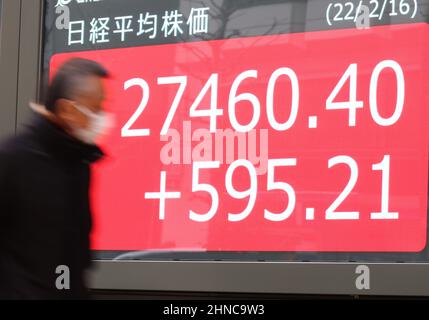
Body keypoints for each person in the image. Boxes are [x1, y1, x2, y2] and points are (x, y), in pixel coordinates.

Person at [0, 58, 112, 299]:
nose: (102, 117)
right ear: (67, 110)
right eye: (95, 109)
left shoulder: (79, 163)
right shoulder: (13, 158)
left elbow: (76, 255)